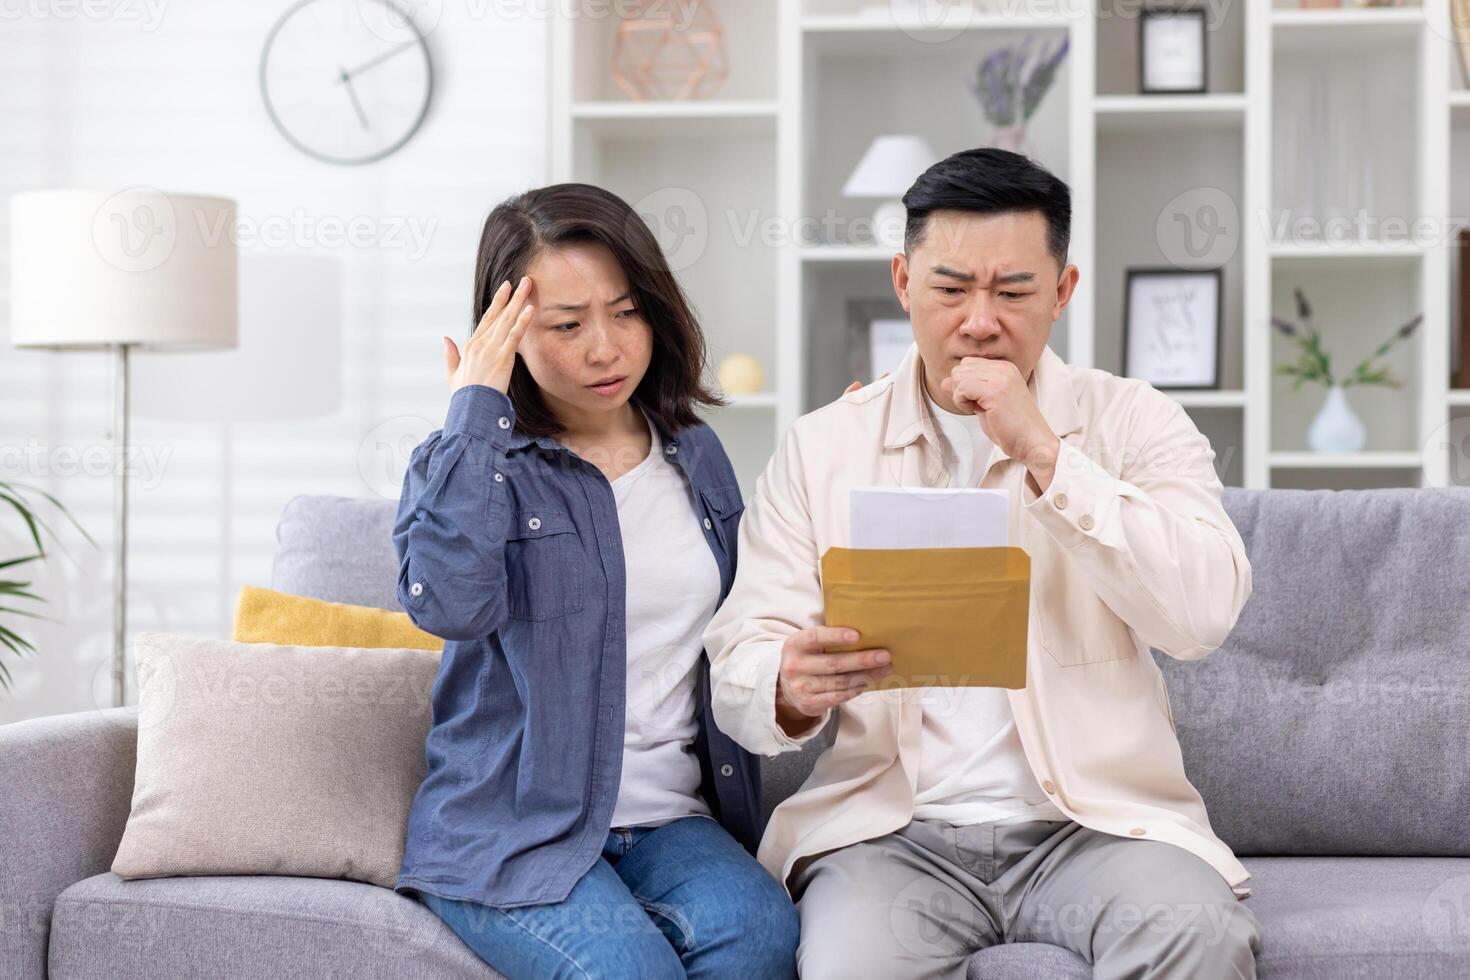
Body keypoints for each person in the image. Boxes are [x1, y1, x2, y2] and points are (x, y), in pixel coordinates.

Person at [703, 147, 1263, 980]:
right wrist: (783, 683)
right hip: (893, 837)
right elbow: (738, 662)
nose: (978, 319)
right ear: (902, 282)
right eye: (951, 287)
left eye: (1013, 292)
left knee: (1200, 936)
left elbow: (1203, 615)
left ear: (1063, 292)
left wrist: (1048, 455)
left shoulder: (1135, 422)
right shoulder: (823, 446)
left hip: (1098, 827)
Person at [391, 182, 798, 980]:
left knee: (760, 937)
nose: (605, 348)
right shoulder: (473, 465)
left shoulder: (695, 450)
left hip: (675, 821)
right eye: (567, 325)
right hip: (512, 830)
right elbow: (447, 603)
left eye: (625, 312)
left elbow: (754, 613)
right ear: (503, 332)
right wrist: (474, 409)